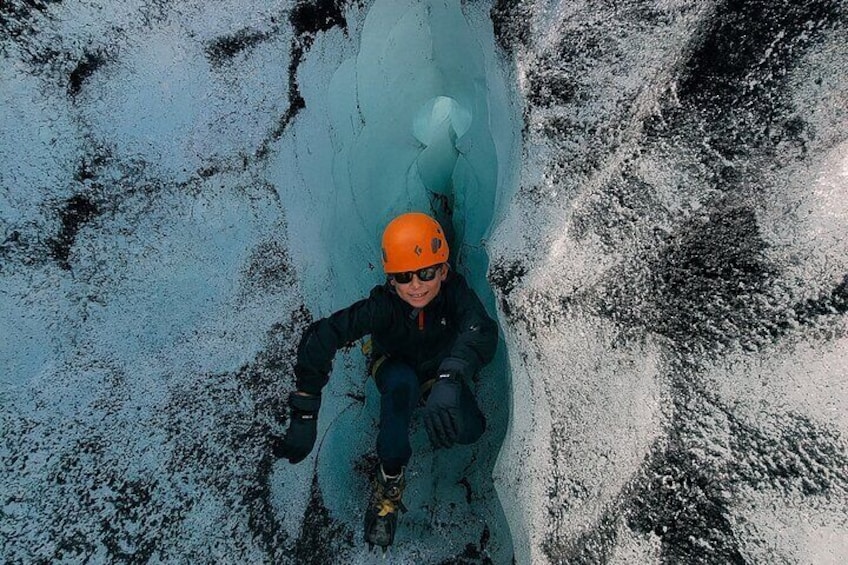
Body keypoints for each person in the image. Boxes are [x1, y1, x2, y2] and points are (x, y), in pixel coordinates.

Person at [272, 211, 498, 550]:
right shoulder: (383, 307)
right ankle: (389, 483)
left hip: (440, 368)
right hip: (395, 365)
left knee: (471, 429)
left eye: (426, 272)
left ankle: (435, 389)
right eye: (404, 276)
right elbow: (320, 338)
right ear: (391, 279)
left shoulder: (455, 293)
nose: (416, 285)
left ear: (444, 270)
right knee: (401, 388)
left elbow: (480, 329)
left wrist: (450, 376)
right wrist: (305, 408)